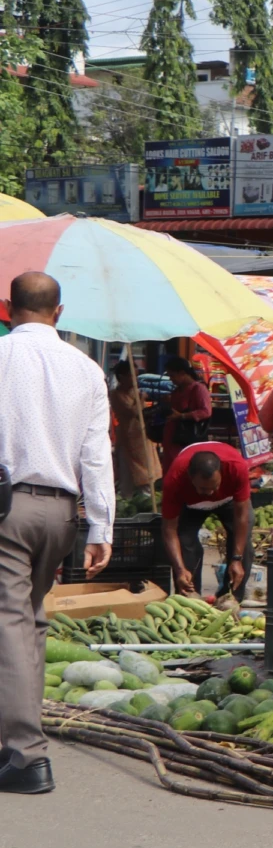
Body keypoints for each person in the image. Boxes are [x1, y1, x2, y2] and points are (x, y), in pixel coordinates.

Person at [0, 272, 113, 795]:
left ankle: (26, 756)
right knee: (31, 622)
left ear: (8, 308)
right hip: (62, 515)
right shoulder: (88, 370)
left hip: (8, 510)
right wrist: (101, 526)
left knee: (11, 624)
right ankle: (16, 743)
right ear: (59, 313)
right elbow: (97, 455)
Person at [159, 442, 252, 599]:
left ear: (221, 472)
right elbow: (169, 529)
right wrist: (180, 569)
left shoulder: (236, 467)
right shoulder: (175, 478)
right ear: (190, 476)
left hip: (228, 501)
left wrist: (237, 559)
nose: (210, 493)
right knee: (186, 544)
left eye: (214, 486)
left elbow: (242, 516)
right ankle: (190, 598)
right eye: (203, 488)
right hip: (191, 504)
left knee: (244, 546)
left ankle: (231, 598)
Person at [108, 361, 153, 495]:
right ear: (122, 377)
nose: (135, 379)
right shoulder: (116, 394)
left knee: (146, 478)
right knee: (127, 478)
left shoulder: (136, 392)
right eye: (131, 376)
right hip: (127, 440)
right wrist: (141, 399)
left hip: (142, 439)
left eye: (136, 375)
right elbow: (132, 412)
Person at [160, 358, 213, 459]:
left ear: (182, 373)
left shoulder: (198, 389)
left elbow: (206, 411)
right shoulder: (177, 390)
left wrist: (182, 416)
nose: (171, 379)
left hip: (186, 440)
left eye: (172, 375)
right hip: (172, 438)